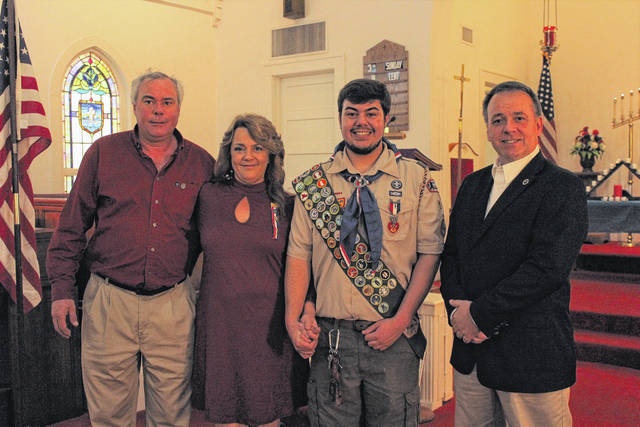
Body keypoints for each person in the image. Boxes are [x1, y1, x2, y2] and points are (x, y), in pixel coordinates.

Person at [46, 71, 215, 426]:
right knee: (109, 415)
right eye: (149, 101)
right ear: (135, 105)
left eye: (167, 102)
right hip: (110, 302)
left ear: (178, 109)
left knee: (172, 415)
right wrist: (61, 289)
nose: (158, 110)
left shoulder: (201, 164)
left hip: (173, 304)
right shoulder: (104, 153)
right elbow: (72, 225)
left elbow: (215, 236)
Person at [284, 78, 446, 426]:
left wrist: (400, 320)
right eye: (351, 113)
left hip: (392, 335)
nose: (361, 122)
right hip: (331, 337)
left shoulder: (417, 179)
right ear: (340, 119)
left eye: (371, 113)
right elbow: (298, 257)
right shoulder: (314, 183)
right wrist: (293, 318)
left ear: (386, 118)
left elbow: (430, 254)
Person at [440, 80, 588, 426]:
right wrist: (458, 313)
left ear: (538, 124)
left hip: (530, 354)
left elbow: (547, 269)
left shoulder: (563, 186)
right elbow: (452, 255)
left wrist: (479, 315)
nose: (508, 128)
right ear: (488, 130)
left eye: (519, 118)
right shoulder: (472, 185)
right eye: (498, 120)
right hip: (471, 352)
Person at [191, 114, 303, 427]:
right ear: (229, 153)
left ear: (271, 154)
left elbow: (302, 269)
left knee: (267, 417)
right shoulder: (208, 196)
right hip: (220, 329)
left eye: (257, 147)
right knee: (226, 418)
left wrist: (304, 312)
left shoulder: (288, 205)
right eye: (239, 148)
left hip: (269, 331)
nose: (248, 156)